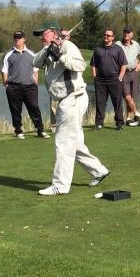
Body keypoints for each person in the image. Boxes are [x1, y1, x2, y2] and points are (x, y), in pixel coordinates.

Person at [32, 22, 109, 195]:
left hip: (72, 98)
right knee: (74, 141)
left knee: (63, 141)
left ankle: (60, 185)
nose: (40, 37)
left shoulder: (67, 46)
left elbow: (81, 66)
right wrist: (48, 50)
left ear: (52, 33)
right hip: (66, 100)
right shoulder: (47, 49)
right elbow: (34, 62)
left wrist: (60, 56)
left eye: (42, 34)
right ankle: (98, 170)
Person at [0, 31, 48, 139]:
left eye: (19, 38)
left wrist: (35, 82)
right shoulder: (8, 54)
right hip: (14, 86)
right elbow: (4, 71)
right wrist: (7, 85)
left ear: (24, 39)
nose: (17, 40)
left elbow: (35, 69)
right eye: (15, 38)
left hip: (30, 86)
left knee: (34, 108)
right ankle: (18, 131)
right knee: (16, 110)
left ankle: (40, 130)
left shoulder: (31, 53)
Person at [90, 28, 127, 130]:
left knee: (117, 102)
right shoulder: (98, 49)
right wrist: (95, 77)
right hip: (100, 80)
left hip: (114, 79)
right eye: (105, 35)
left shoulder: (118, 49)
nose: (106, 37)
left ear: (113, 37)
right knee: (100, 102)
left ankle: (119, 123)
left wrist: (120, 77)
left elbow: (124, 64)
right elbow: (93, 64)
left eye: (108, 35)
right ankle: (99, 123)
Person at [120, 26, 140, 127]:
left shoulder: (136, 44)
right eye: (125, 32)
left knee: (131, 97)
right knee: (127, 96)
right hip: (123, 73)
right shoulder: (118, 44)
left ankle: (128, 118)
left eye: (128, 32)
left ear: (131, 34)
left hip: (134, 72)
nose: (126, 34)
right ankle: (137, 112)